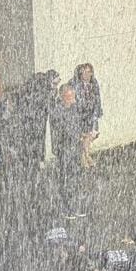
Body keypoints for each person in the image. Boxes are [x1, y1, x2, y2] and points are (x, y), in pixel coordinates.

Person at [52, 84, 87, 218]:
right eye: (70, 96)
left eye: (74, 95)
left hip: (74, 147)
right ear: (63, 97)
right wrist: (75, 135)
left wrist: (84, 134)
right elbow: (62, 130)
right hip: (64, 148)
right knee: (65, 178)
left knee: (75, 176)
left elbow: (78, 124)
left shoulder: (74, 109)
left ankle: (75, 205)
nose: (74, 99)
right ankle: (66, 208)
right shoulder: (58, 110)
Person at [70, 63, 103, 167]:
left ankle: (85, 155)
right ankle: (85, 157)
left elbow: (98, 98)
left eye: (88, 72)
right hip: (81, 115)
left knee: (90, 136)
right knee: (83, 136)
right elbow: (76, 101)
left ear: (92, 73)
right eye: (83, 72)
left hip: (91, 114)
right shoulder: (76, 84)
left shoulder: (94, 83)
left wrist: (96, 112)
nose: (86, 74)